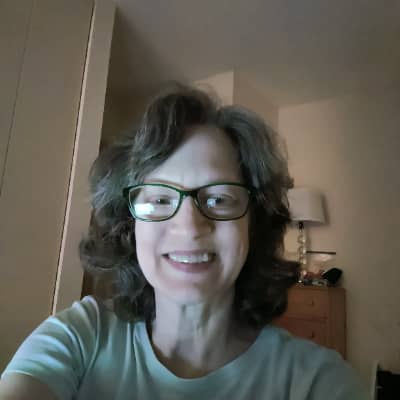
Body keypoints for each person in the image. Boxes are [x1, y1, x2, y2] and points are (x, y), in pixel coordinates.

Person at [0, 84, 368, 399]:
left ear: (253, 224)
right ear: (130, 225)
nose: (190, 227)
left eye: (219, 199)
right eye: (160, 199)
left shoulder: (316, 381)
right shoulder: (80, 336)